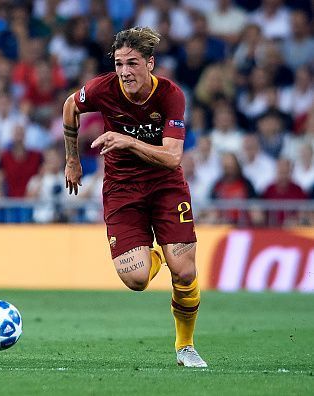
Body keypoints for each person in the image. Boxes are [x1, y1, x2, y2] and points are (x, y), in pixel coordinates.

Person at [62, 27, 207, 367]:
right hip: (122, 189)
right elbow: (70, 106)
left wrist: (127, 141)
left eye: (132, 63)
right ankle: (158, 256)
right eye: (118, 64)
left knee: (185, 273)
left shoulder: (171, 95)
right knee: (137, 279)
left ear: (150, 63)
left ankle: (185, 346)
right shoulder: (102, 88)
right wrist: (72, 158)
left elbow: (172, 157)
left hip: (165, 186)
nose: (124, 72)